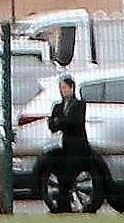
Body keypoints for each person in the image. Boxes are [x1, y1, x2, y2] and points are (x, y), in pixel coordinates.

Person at [42, 72, 103, 213]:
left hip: (78, 147)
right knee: (63, 177)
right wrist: (58, 122)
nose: (63, 91)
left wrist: (59, 121)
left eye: (65, 88)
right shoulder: (58, 106)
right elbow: (52, 125)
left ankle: (72, 205)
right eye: (61, 88)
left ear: (72, 88)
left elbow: (74, 122)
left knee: (74, 174)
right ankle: (63, 206)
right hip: (65, 146)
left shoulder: (79, 105)